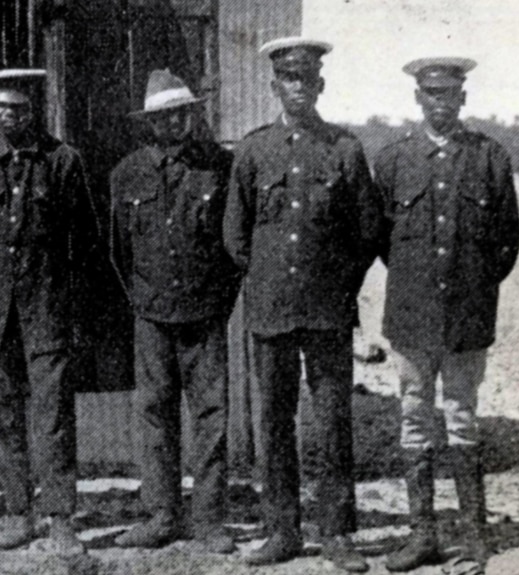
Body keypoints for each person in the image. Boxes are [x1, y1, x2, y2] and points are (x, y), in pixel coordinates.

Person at [224, 38, 382, 571]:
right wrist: (267, 280)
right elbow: (235, 234)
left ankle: (337, 534)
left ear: (319, 85)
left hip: (327, 311)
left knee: (333, 419)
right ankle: (282, 531)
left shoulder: (344, 149)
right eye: (288, 79)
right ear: (275, 87)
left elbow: (367, 232)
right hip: (271, 310)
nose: (297, 88)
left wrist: (338, 283)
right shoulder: (253, 150)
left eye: (306, 79)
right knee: (274, 421)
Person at [374, 58, 519, 573]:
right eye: (432, 93)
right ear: (418, 98)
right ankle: (422, 536)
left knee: (462, 417)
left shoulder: (489, 158)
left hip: (465, 316)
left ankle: (475, 538)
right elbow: (384, 241)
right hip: (412, 315)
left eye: (450, 93)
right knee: (414, 417)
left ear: (463, 97)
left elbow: (506, 243)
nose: (441, 102)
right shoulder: (393, 160)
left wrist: (471, 289)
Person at [0, 68, 98, 553]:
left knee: (53, 415)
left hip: (47, 309)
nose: (9, 115)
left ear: (33, 110)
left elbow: (82, 239)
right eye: (1, 107)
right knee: (3, 413)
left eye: (19, 108)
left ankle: (60, 519)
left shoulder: (62, 161)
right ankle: (18, 512)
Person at [109, 69, 242, 553]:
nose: (172, 124)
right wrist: (142, 302)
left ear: (192, 115)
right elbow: (119, 251)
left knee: (211, 416)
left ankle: (209, 520)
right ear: (150, 123)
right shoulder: (127, 174)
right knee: (155, 414)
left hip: (205, 314)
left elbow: (233, 247)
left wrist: (219, 303)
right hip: (152, 316)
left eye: (180, 114)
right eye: (162, 117)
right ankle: (161, 515)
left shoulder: (220, 168)